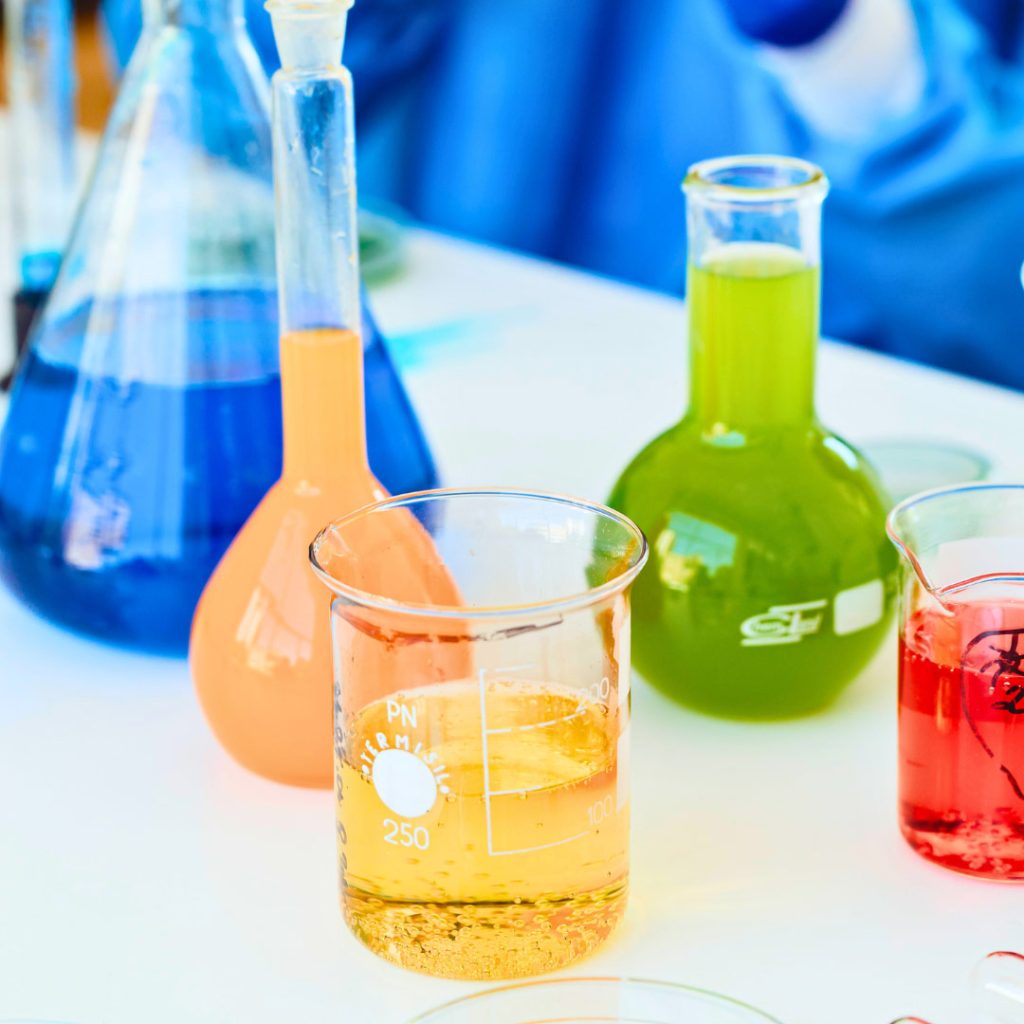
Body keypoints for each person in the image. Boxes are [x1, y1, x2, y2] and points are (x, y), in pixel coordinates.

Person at [102, 0, 1024, 390]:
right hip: (454, 407)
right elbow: (207, 95)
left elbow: (990, 302)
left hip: (842, 450)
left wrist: (837, 39)